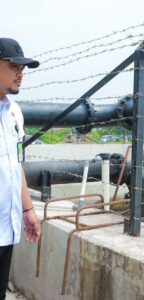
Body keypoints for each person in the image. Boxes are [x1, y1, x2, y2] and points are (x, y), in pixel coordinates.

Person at [0, 38, 41, 299]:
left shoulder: (14, 112)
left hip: (5, 229)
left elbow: (16, 165)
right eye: (14, 66)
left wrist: (28, 209)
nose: (21, 73)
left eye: (23, 68)